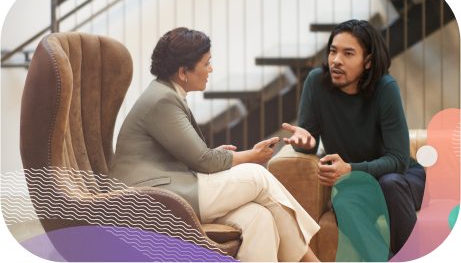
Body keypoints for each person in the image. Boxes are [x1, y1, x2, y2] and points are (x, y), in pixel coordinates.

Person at [109, 27, 321, 263]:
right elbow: (204, 160)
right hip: (151, 199)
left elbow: (192, 157)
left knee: (259, 217)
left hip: (170, 188)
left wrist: (214, 156)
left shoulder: (166, 94)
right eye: (206, 63)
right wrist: (251, 155)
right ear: (183, 72)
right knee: (257, 175)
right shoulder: (163, 99)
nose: (210, 69)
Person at [282, 20, 426, 261]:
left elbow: (399, 161)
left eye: (348, 53)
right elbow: (308, 139)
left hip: (403, 180)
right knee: (345, 200)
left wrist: (351, 169)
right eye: (333, 51)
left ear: (368, 61)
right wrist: (305, 144)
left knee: (389, 183)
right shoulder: (316, 83)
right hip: (359, 186)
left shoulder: (385, 87)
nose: (336, 60)